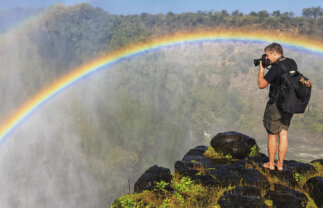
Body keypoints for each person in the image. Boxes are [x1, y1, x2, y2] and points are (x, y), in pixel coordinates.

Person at [257, 42, 297, 171]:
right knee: (284, 133)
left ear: (275, 53)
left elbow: (262, 84)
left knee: (272, 134)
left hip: (276, 105)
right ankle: (280, 165)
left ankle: (270, 164)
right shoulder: (291, 62)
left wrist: (262, 69)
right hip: (290, 104)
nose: (267, 58)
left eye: (268, 55)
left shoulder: (276, 68)